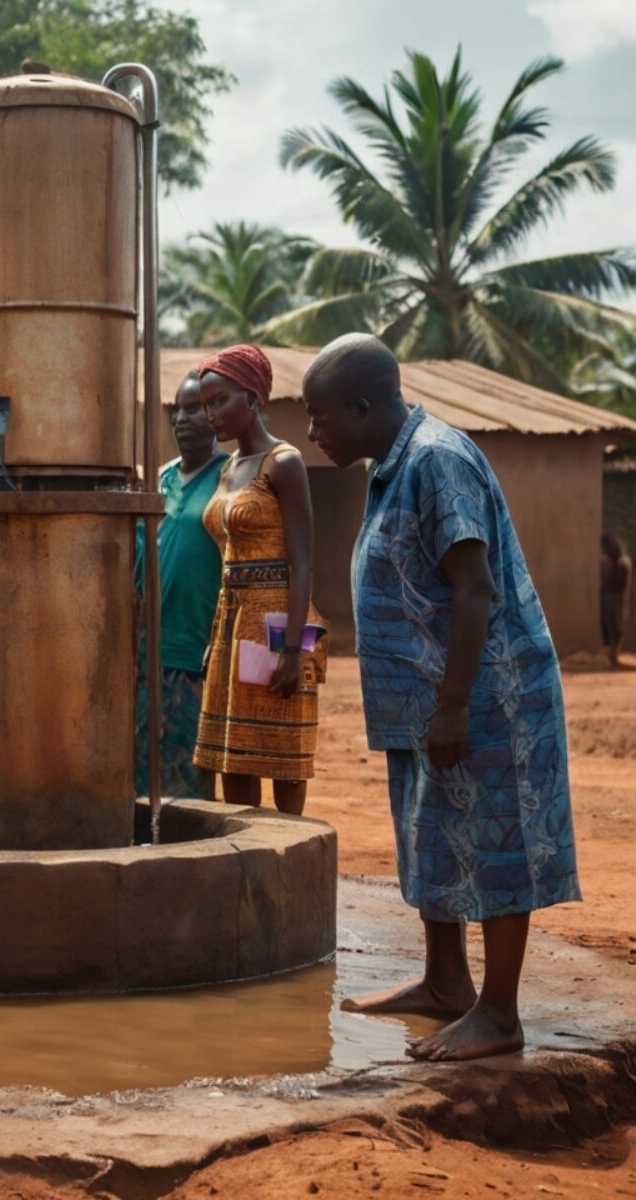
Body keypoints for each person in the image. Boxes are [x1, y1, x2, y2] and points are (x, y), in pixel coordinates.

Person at [303, 332, 581, 1062]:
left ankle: (500, 1013)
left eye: (320, 416)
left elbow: (474, 588)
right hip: (428, 701)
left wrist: (455, 704)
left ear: (363, 407)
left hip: (487, 696)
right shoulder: (391, 467)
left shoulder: (436, 460)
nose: (313, 432)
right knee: (433, 833)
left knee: (497, 843)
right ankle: (445, 982)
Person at [192, 344, 326, 815]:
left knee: (284, 756)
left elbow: (303, 563)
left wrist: (292, 650)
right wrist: (215, 641)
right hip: (231, 626)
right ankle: (247, 856)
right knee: (236, 757)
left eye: (220, 400)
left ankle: (292, 855)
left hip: (279, 625)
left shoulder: (283, 462)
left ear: (253, 399)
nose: (210, 414)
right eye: (206, 404)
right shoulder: (228, 468)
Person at [135, 371, 228, 799]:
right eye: (177, 410)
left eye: (194, 409)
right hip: (145, 651)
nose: (181, 419)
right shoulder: (158, 481)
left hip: (196, 649)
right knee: (141, 770)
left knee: (190, 772)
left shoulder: (230, 479)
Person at [600, 533, 631, 668]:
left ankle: (614, 655)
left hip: (618, 597)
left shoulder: (623, 563)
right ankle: (611, 656)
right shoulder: (606, 561)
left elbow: (622, 581)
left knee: (618, 628)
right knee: (610, 628)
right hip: (608, 596)